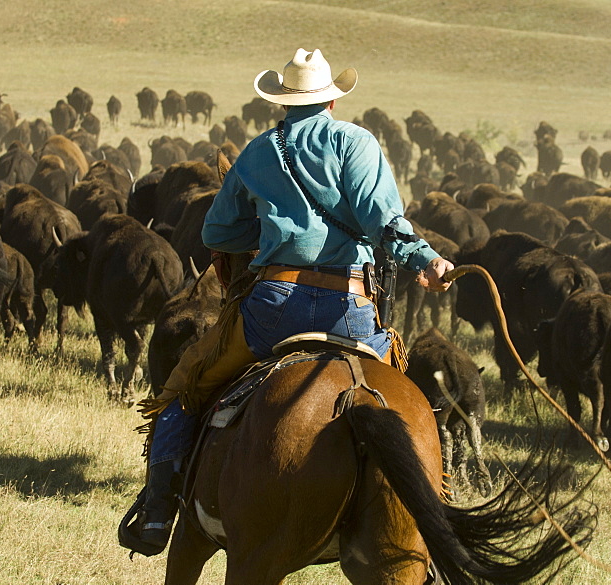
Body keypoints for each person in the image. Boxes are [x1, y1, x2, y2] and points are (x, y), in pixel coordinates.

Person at [120, 48, 455, 556]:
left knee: (185, 386)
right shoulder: (357, 143)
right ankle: (423, 521)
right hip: (352, 305)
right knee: (402, 401)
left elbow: (217, 230)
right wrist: (423, 259)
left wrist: (276, 226)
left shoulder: (258, 152)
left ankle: (159, 509)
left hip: (274, 306)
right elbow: (379, 216)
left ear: (282, 103)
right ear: (331, 102)